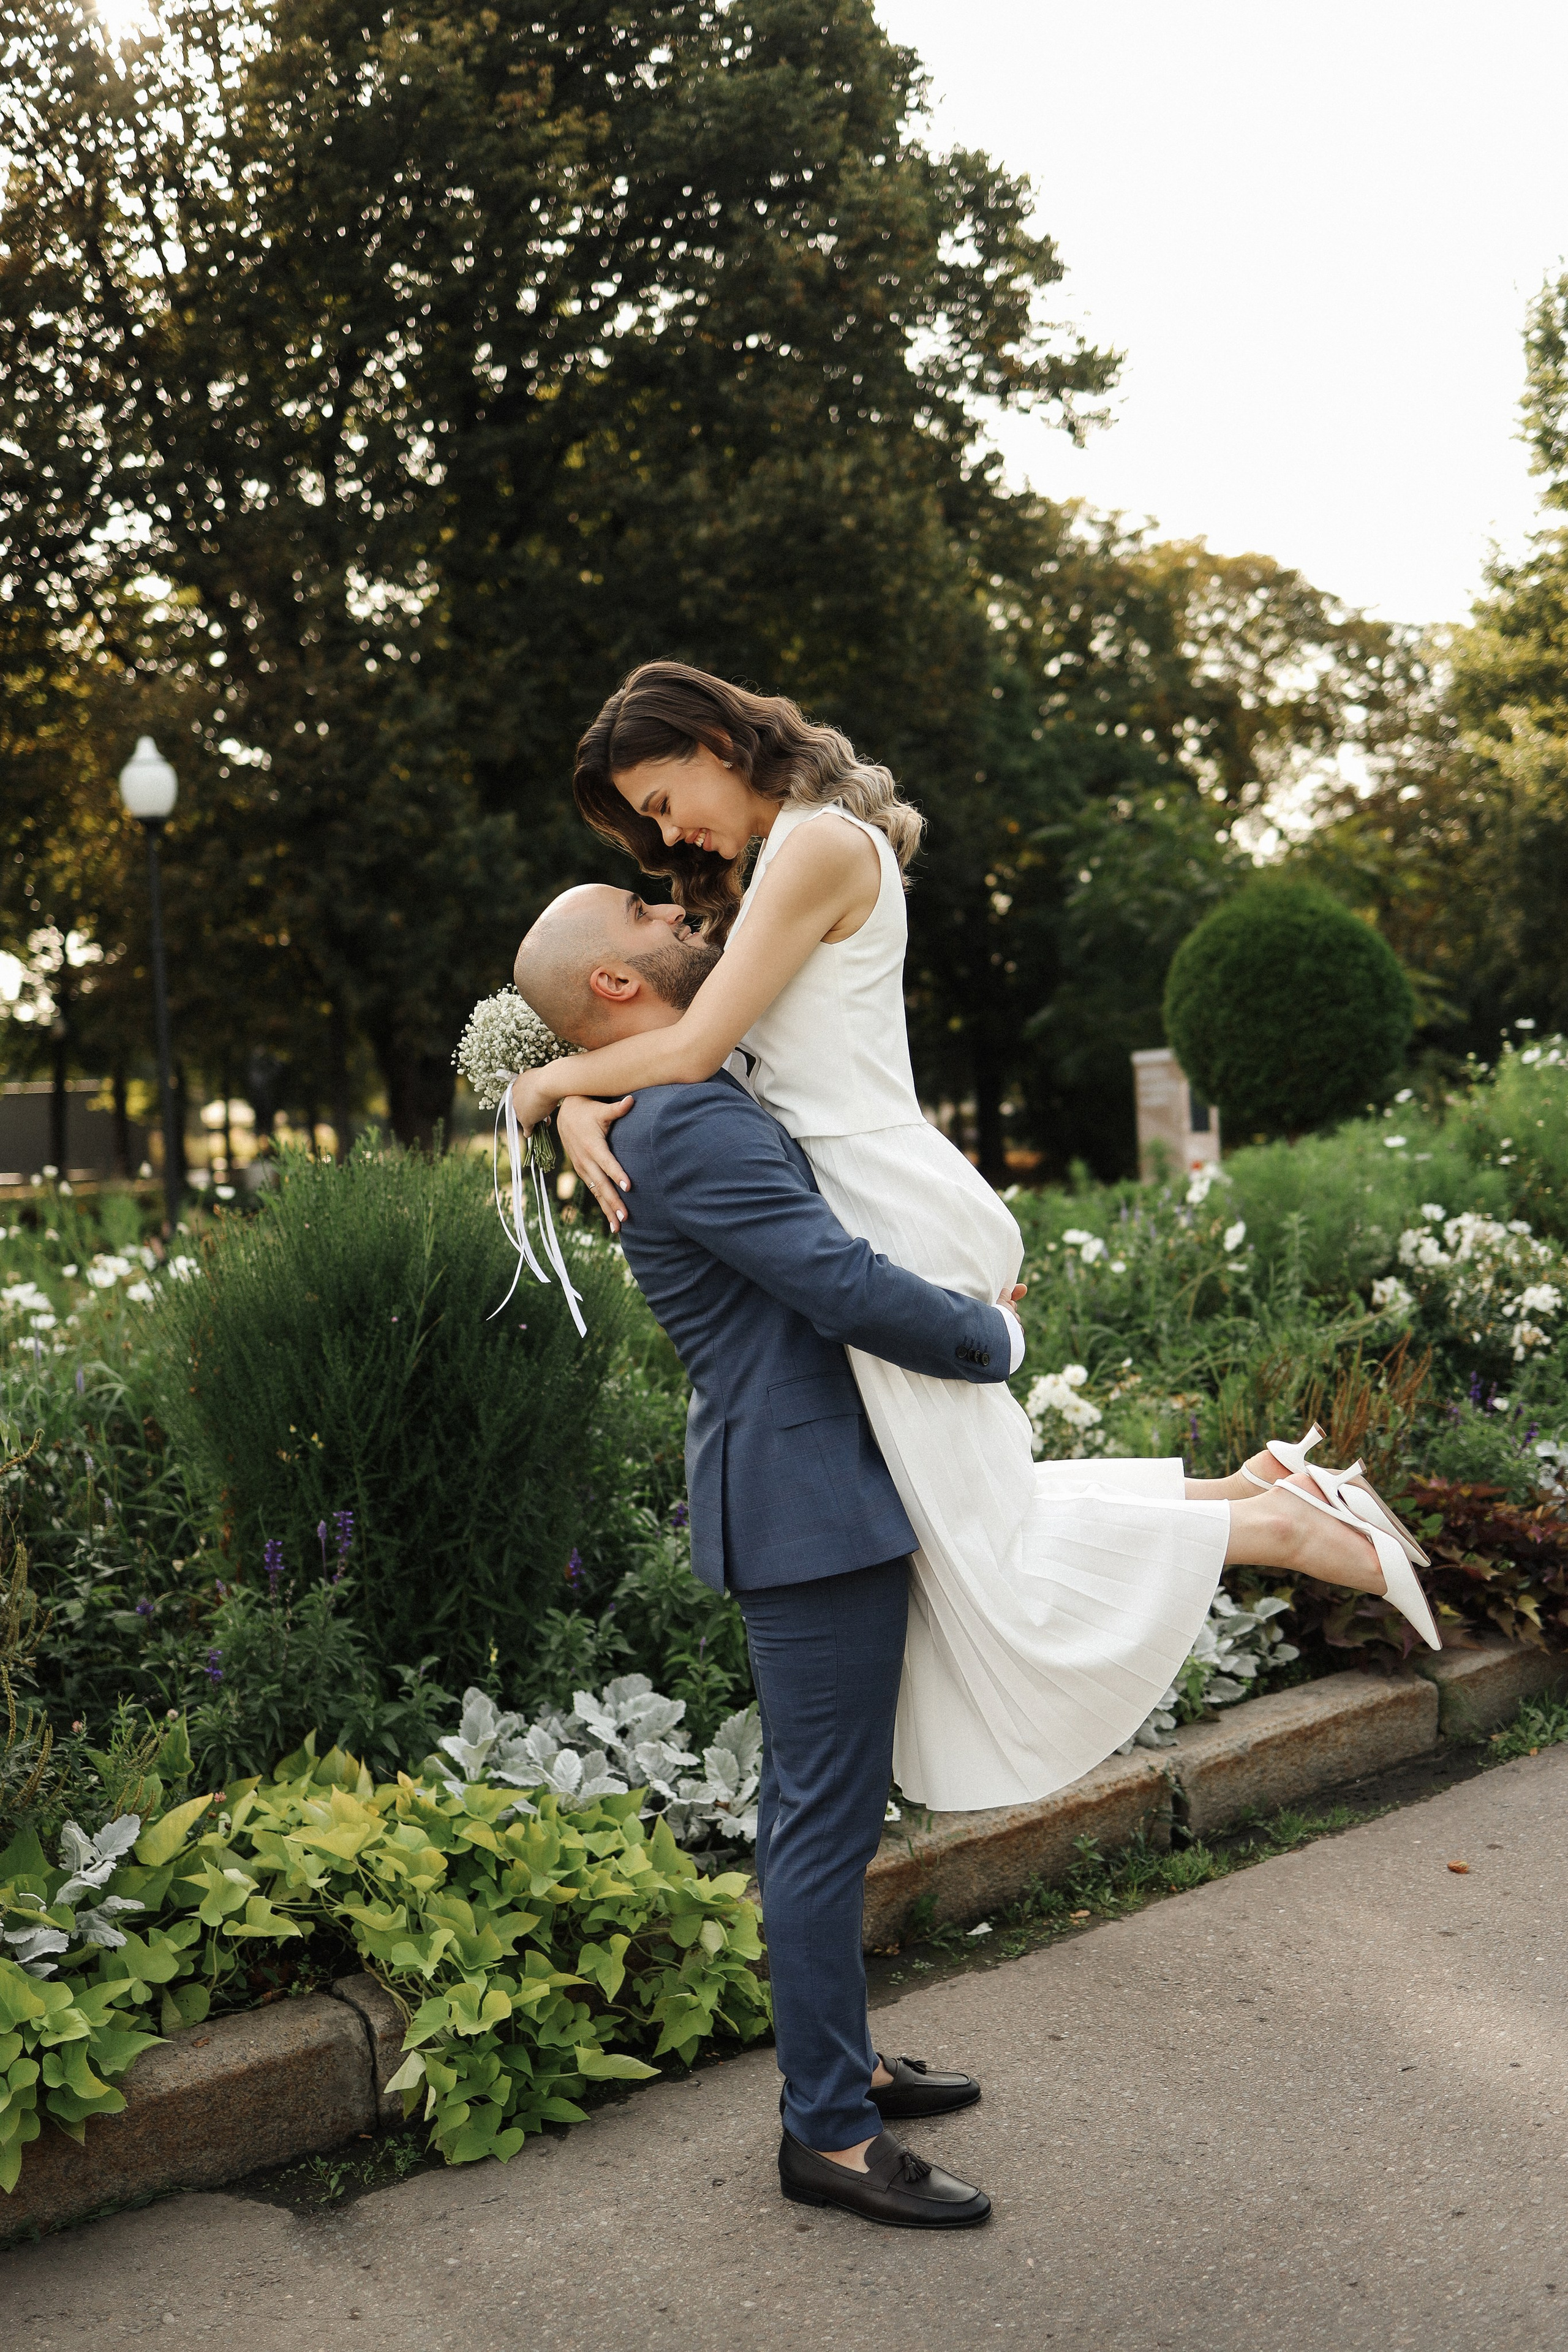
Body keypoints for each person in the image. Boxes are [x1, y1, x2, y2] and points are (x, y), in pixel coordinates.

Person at [511, 663, 1441, 1813]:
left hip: (880, 1199)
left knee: (989, 1553)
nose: (668, 835)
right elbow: (706, 1044)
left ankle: (1282, 1529)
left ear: (712, 737)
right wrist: (597, 1096)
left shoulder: (815, 849)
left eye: (661, 799)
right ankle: (1261, 1501)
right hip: (867, 1185)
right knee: (986, 1517)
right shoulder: (780, 857)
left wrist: (552, 1084)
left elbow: (696, 1047)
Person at [513, 884, 1016, 2226]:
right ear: (618, 987)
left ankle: (840, 2061)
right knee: (816, 1825)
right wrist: (991, 1338)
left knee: (827, 1812)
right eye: (643, 909)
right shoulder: (682, 1120)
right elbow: (837, 1285)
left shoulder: (668, 1087)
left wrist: (550, 1091)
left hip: (811, 1482)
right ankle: (829, 2139)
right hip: (805, 1504)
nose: (676, 904)